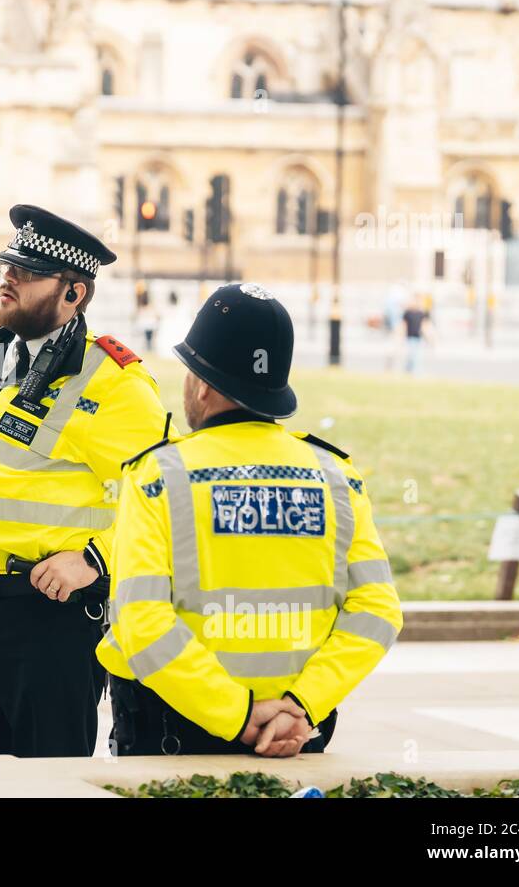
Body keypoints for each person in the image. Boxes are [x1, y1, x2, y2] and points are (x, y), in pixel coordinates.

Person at [0, 204, 168, 758]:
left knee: (45, 783)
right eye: (9, 266)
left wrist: (96, 560)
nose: (9, 279)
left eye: (26, 272)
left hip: (47, 624)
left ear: (74, 293)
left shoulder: (115, 381)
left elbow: (164, 503)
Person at [100, 282, 402, 758]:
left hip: (173, 729)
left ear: (201, 383)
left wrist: (236, 714)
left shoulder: (160, 475)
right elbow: (377, 612)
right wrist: (302, 704)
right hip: (297, 732)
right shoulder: (336, 476)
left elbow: (142, 622)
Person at [400, 294, 434, 374]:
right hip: (410, 337)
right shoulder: (407, 313)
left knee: (416, 355)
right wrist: (400, 336)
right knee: (412, 354)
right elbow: (403, 325)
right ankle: (410, 370)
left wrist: (428, 338)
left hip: (418, 337)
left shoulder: (421, 313)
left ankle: (412, 371)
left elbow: (424, 326)